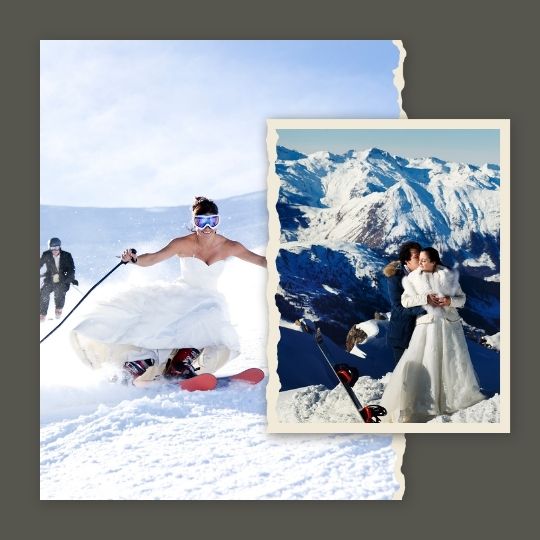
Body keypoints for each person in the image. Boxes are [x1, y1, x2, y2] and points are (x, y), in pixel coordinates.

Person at [70, 196, 267, 385]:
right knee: (172, 321)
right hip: (185, 294)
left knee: (211, 318)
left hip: (208, 297)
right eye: (201, 222)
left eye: (212, 221)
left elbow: (261, 260)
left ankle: (180, 364)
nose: (207, 228)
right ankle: (141, 362)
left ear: (218, 222)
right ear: (194, 222)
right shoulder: (183, 243)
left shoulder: (230, 246)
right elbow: (154, 258)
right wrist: (134, 259)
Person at [379, 247, 485, 422]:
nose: (420, 263)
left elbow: (463, 299)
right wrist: (425, 299)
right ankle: (426, 402)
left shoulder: (449, 276)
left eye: (424, 260)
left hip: (450, 326)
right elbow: (404, 302)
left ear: (434, 261)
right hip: (427, 327)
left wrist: (450, 301)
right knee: (429, 361)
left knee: (452, 362)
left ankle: (454, 400)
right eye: (418, 259)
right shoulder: (412, 279)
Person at [40, 237, 78, 322]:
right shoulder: (46, 254)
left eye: (56, 248)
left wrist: (69, 278)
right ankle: (42, 315)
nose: (55, 250)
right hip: (50, 279)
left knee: (59, 291)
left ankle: (58, 310)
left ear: (59, 247)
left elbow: (71, 269)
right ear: (50, 248)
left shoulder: (67, 255)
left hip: (62, 279)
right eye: (52, 248)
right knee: (44, 292)